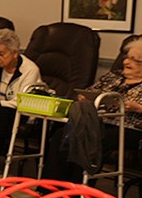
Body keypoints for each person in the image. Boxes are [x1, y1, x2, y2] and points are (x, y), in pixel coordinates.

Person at [43, 37, 142, 183]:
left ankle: (76, 195)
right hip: (98, 122)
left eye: (135, 60)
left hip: (129, 129)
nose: (126, 62)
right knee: (61, 134)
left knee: (88, 139)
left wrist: (137, 107)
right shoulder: (113, 76)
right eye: (127, 58)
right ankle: (50, 189)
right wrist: (85, 98)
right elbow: (89, 92)